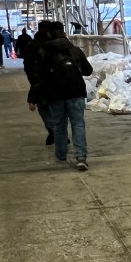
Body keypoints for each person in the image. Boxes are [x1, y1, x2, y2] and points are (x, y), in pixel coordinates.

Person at [37, 22, 93, 171]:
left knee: (59, 124)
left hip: (55, 95)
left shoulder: (45, 53)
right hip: (76, 92)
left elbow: (40, 76)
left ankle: (61, 154)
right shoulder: (75, 50)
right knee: (78, 124)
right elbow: (88, 71)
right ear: (64, 33)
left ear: (49, 35)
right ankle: (81, 157)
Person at [23, 21, 55, 145]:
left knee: (43, 108)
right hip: (54, 82)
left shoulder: (32, 44)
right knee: (56, 108)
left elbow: (27, 65)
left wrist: (33, 81)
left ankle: (51, 129)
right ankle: (58, 131)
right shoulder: (53, 44)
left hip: (38, 82)